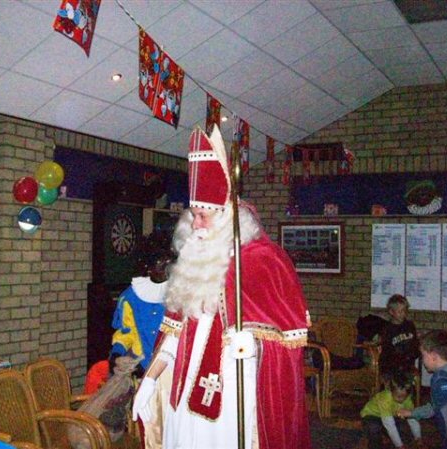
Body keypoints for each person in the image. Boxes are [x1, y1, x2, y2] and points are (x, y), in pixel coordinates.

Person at [131, 125, 311, 449]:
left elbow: (289, 338)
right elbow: (175, 333)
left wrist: (252, 342)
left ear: (228, 218)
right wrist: (152, 377)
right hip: (186, 391)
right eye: (194, 216)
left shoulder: (260, 261)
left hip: (234, 391)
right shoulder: (191, 262)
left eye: (204, 216)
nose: (196, 225)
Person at [109, 230, 175, 378]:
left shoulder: (179, 294)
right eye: (161, 262)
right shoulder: (131, 297)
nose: (166, 267)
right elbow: (127, 333)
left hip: (170, 372)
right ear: (149, 266)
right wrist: (117, 355)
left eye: (169, 262)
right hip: (139, 369)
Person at [361, 371, 422, 449]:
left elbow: (412, 418)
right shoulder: (385, 399)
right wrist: (399, 446)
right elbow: (389, 424)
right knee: (374, 428)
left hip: (390, 416)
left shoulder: (407, 399)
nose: (401, 399)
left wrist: (418, 438)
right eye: (398, 396)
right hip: (371, 415)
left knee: (402, 431)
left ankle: (384, 433)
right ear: (390, 391)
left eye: (404, 396)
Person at [379, 294, 420, 382]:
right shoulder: (387, 329)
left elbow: (415, 345)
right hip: (392, 366)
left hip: (407, 364)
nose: (403, 314)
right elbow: (386, 351)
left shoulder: (410, 326)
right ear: (391, 312)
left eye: (404, 311)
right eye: (399, 311)